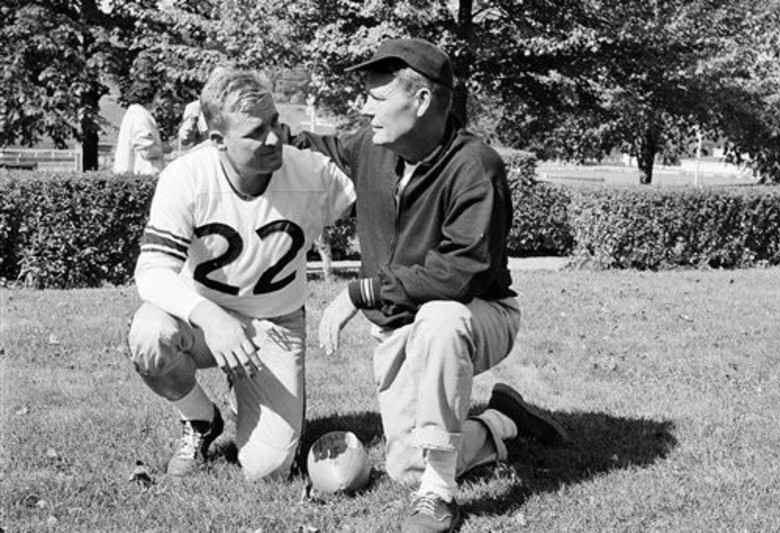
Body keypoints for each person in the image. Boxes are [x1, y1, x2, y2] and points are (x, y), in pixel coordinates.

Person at [296, 38, 569, 533]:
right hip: (400, 327)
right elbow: (315, 146)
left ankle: (440, 495)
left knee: (439, 318)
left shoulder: (476, 167)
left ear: (420, 102)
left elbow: (459, 271)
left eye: (377, 98)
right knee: (406, 468)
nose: (364, 108)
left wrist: (359, 292)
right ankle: (501, 421)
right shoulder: (371, 147)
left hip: (477, 313)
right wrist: (259, 135)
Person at [127, 66, 355, 481]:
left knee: (268, 470)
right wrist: (208, 316)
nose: (273, 139)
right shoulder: (187, 177)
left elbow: (380, 201)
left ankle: (248, 391)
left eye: (275, 124)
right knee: (149, 337)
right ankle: (200, 418)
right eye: (254, 132)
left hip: (276, 321)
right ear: (217, 141)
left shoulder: (311, 171)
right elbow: (152, 272)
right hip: (201, 320)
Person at [113, 101, 167, 175]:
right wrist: (162, 148)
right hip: (143, 172)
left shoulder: (134, 114)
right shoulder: (141, 116)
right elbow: (146, 150)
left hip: (135, 173)